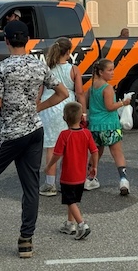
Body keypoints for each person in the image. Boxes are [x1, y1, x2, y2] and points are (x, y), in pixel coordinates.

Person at [0, 20, 69, 259]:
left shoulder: (2, 68)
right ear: (26, 40)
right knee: (30, 188)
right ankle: (26, 241)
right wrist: (38, 107)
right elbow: (63, 93)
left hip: (11, 134)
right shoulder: (39, 67)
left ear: (6, 41)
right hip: (34, 131)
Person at [45, 102, 98, 240]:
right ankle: (70, 224)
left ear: (64, 118)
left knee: (69, 201)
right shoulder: (86, 133)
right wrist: (94, 166)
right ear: (81, 117)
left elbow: (57, 154)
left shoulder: (64, 135)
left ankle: (81, 224)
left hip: (68, 175)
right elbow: (94, 151)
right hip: (81, 175)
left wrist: (49, 165)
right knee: (73, 199)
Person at [39, 37, 82, 197]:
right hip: (67, 107)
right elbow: (80, 92)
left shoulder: (47, 68)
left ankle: (50, 184)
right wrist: (82, 111)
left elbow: (40, 90)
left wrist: (37, 106)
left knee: (51, 146)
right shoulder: (73, 69)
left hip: (48, 107)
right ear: (69, 52)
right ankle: (68, 181)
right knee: (68, 146)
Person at [83, 59, 133, 195]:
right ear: (101, 72)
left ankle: (89, 178)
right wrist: (123, 102)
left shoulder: (92, 87)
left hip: (95, 126)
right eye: (109, 70)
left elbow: (85, 101)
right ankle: (123, 180)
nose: (112, 73)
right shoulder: (108, 88)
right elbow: (110, 107)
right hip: (110, 125)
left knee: (96, 153)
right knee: (117, 153)